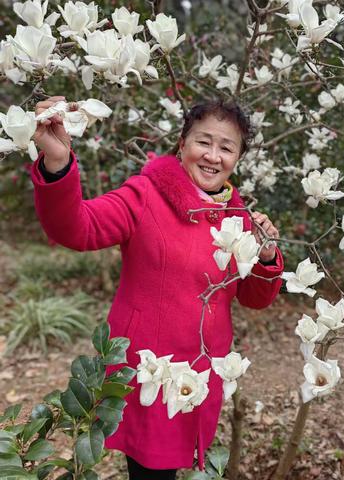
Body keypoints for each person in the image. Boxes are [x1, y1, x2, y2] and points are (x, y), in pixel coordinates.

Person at [31, 96, 284, 479]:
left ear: (237, 158)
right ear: (182, 144)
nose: (213, 156)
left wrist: (265, 256)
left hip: (200, 376)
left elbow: (254, 298)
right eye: (204, 141)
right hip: (150, 372)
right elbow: (76, 228)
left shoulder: (237, 217)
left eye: (226, 147)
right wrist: (57, 163)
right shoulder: (146, 195)